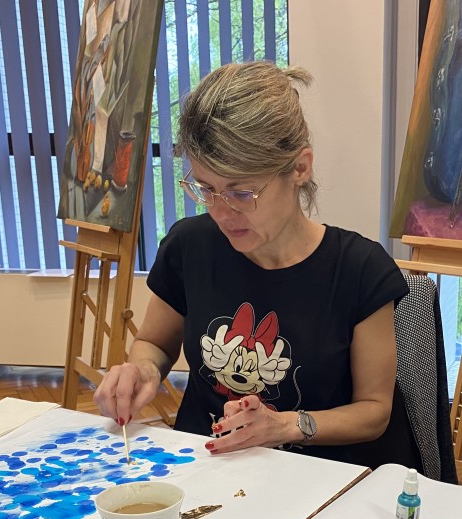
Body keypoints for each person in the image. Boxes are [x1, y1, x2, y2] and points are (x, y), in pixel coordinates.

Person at [94, 61, 420, 470]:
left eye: (241, 192)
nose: (221, 212)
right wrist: (142, 370)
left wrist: (285, 426)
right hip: (209, 466)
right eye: (206, 188)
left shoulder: (359, 270)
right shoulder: (189, 247)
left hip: (319, 477)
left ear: (300, 167)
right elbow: (155, 344)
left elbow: (374, 411)